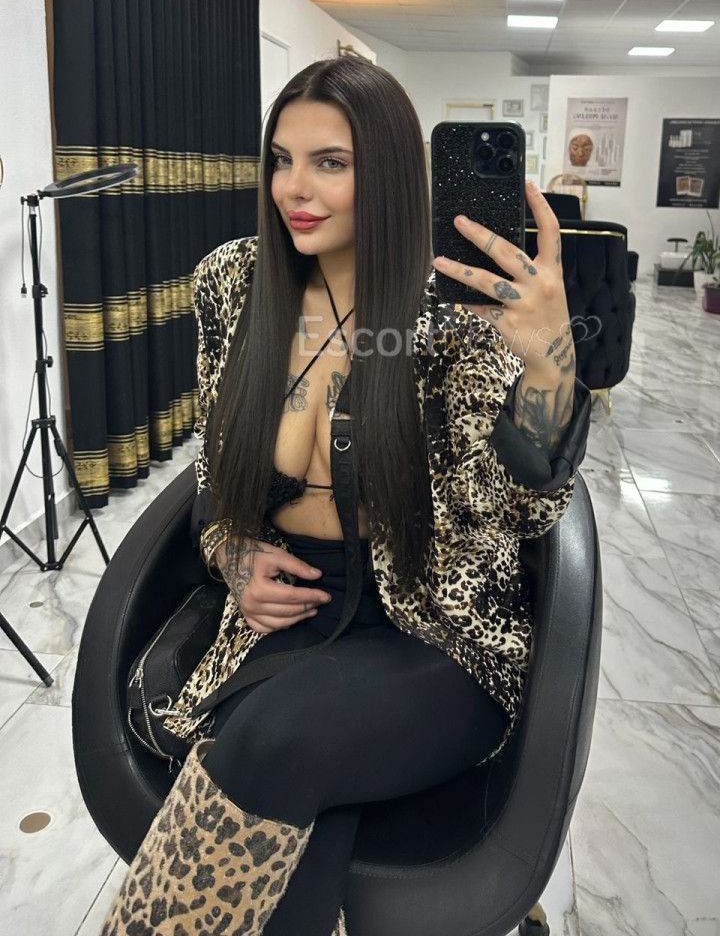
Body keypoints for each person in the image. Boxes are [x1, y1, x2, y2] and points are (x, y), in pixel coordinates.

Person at [101, 58, 592, 936]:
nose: (296, 188)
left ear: (391, 172)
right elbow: (215, 479)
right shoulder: (234, 283)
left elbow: (514, 515)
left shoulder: (451, 308)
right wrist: (233, 555)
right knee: (296, 781)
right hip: (280, 617)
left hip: (433, 634)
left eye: (331, 162)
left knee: (274, 740)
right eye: (282, 159)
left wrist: (549, 365)